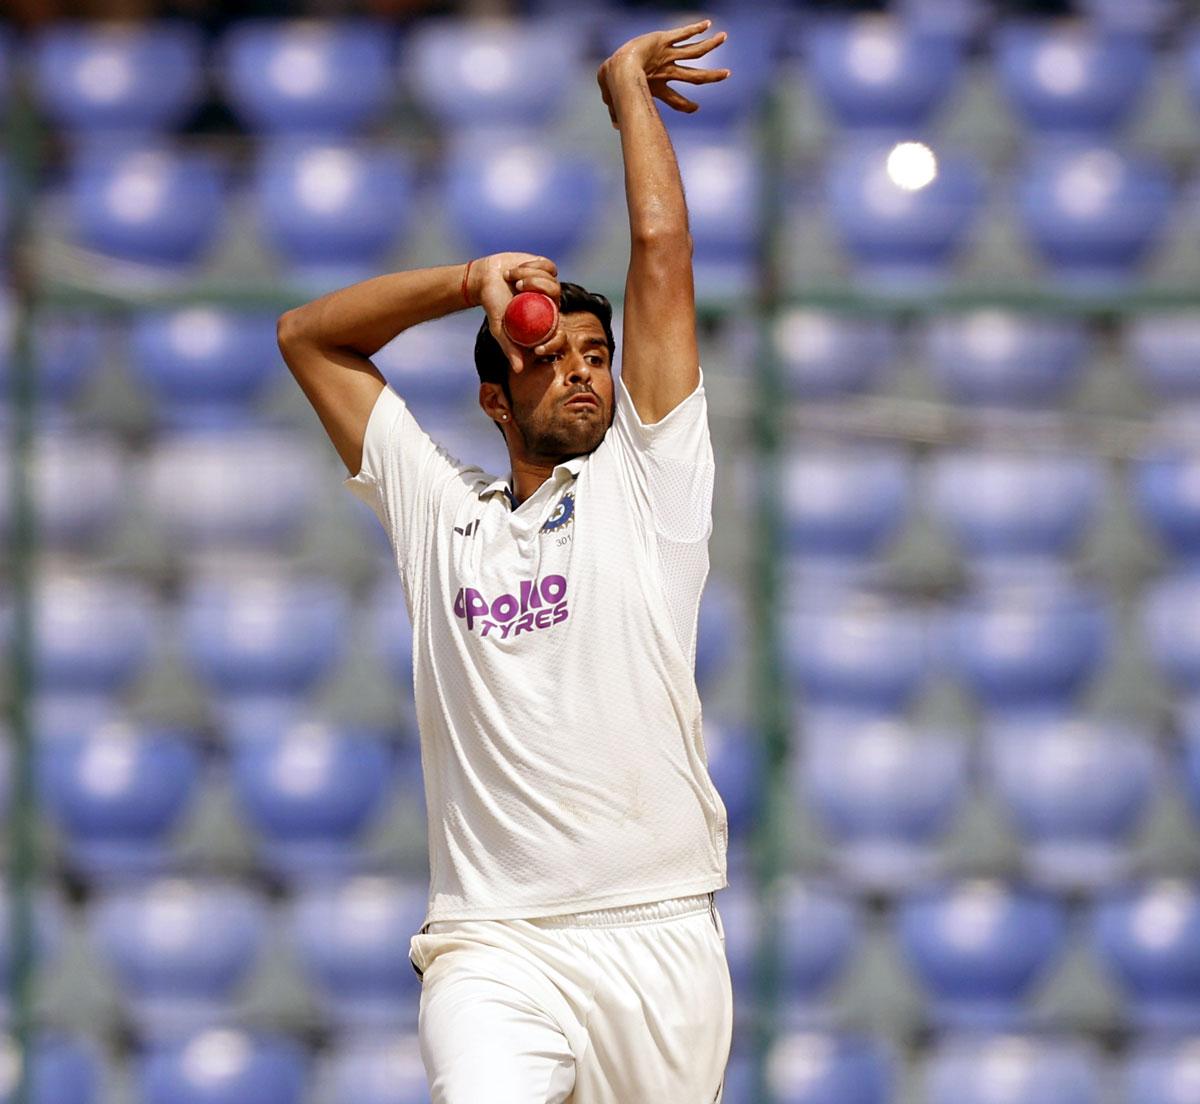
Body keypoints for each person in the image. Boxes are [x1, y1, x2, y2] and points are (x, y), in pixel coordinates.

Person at [277, 18, 733, 1104]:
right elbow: (309, 337)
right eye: (547, 354)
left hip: (659, 932)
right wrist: (471, 279)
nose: (580, 372)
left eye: (596, 356)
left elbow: (662, 255)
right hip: (494, 943)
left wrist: (628, 95)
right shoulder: (442, 515)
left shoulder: (650, 484)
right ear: (494, 396)